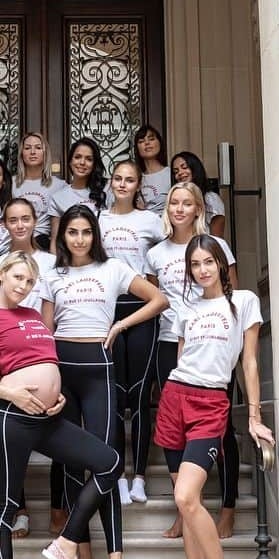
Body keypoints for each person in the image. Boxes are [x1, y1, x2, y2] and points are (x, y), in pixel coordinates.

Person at [0, 252, 127, 559]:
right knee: (5, 506)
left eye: (29, 281)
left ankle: (66, 542)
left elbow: (45, 361)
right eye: (18, 278)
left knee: (109, 463)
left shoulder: (34, 317)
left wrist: (56, 397)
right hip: (10, 417)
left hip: (47, 417)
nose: (23, 286)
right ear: (1, 275)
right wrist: (15, 395)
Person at [41, 205, 168, 559]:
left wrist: (119, 326)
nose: (79, 239)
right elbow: (47, 334)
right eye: (72, 232)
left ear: (95, 235)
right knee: (68, 463)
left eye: (85, 232)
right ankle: (81, 552)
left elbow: (159, 299)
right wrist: (50, 380)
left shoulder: (113, 269)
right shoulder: (53, 275)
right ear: (63, 236)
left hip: (99, 367)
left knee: (107, 462)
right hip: (62, 367)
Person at [155, 236, 274, 559]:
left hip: (210, 402)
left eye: (209, 262)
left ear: (222, 264)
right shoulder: (186, 308)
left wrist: (254, 417)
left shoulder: (243, 302)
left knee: (186, 496)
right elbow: (182, 359)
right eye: (195, 265)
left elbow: (250, 364)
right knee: (187, 510)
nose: (202, 270)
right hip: (175, 397)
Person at [147, 182, 238, 538]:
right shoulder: (155, 253)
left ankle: (227, 509)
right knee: (174, 433)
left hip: (213, 347)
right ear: (167, 209)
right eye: (174, 203)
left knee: (222, 429)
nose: (179, 209)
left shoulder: (217, 247)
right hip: (170, 342)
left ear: (199, 208)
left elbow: (232, 301)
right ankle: (185, 510)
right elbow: (156, 299)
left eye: (187, 203)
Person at [0, 197, 61, 538]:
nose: (19, 225)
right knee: (11, 439)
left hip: (38, 347)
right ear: (5, 224)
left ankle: (60, 513)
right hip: (6, 360)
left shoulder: (51, 262)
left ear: (35, 221)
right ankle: (19, 507)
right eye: (12, 219)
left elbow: (47, 318)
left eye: (25, 218)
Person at [99, 159, 165, 506]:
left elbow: (162, 264)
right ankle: (119, 476)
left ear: (139, 185)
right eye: (118, 179)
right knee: (113, 396)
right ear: (111, 183)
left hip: (141, 309)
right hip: (107, 309)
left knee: (139, 396)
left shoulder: (150, 221)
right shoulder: (98, 219)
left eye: (129, 180)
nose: (122, 184)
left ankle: (139, 476)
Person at [47, 138, 108, 247]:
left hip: (103, 255)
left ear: (94, 164)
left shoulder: (108, 190)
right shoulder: (58, 198)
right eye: (77, 157)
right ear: (70, 161)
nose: (82, 162)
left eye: (89, 159)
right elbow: (55, 241)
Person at [12, 131, 61, 251]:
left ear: (45, 153)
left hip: (45, 244)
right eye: (27, 148)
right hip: (16, 243)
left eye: (38, 148)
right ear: (21, 153)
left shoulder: (60, 185)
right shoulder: (10, 183)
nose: (32, 152)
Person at [171, 150, 229, 240]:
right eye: (176, 171)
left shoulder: (210, 198)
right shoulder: (175, 201)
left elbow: (217, 239)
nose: (180, 173)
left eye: (185, 167)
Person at [133, 123, 171, 215]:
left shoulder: (171, 173)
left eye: (151, 139)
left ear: (160, 143)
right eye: (141, 141)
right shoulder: (134, 178)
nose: (147, 143)